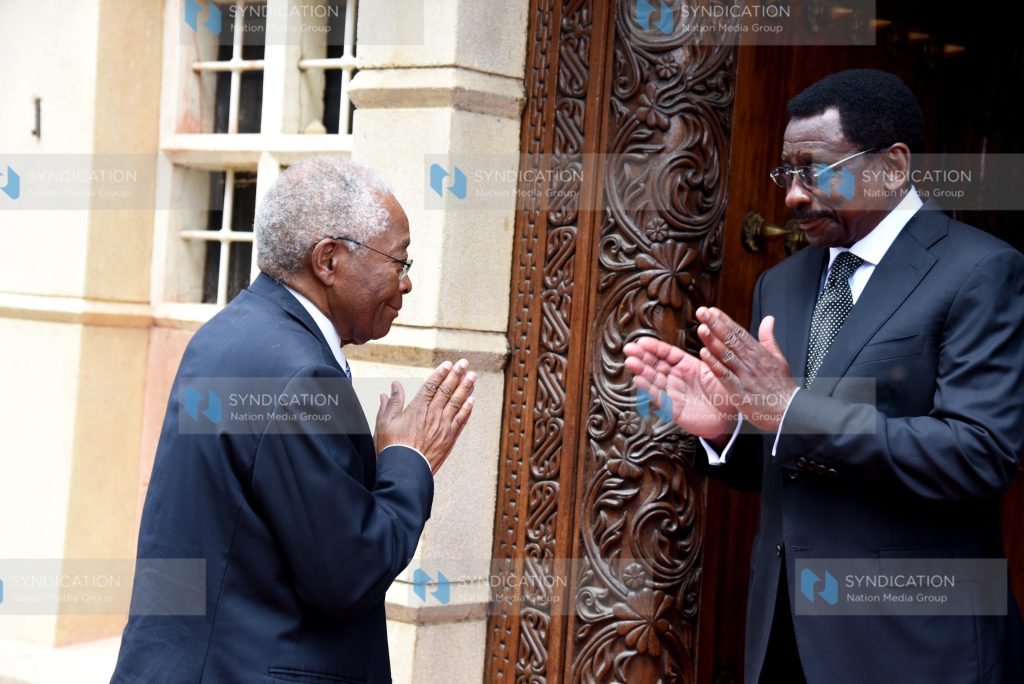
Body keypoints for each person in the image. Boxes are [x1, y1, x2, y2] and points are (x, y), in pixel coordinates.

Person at [625, 69, 1024, 683]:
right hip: (786, 640)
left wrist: (790, 410)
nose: (793, 196)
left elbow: (979, 454)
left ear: (893, 166)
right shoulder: (780, 283)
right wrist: (728, 430)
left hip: (916, 648)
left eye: (816, 171)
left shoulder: (980, 271)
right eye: (787, 173)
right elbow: (794, 460)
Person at [111, 157, 476, 683]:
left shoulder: (226, 333)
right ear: (328, 260)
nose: (406, 283)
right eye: (399, 261)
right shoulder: (302, 376)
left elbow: (274, 519)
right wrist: (409, 459)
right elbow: (348, 574)